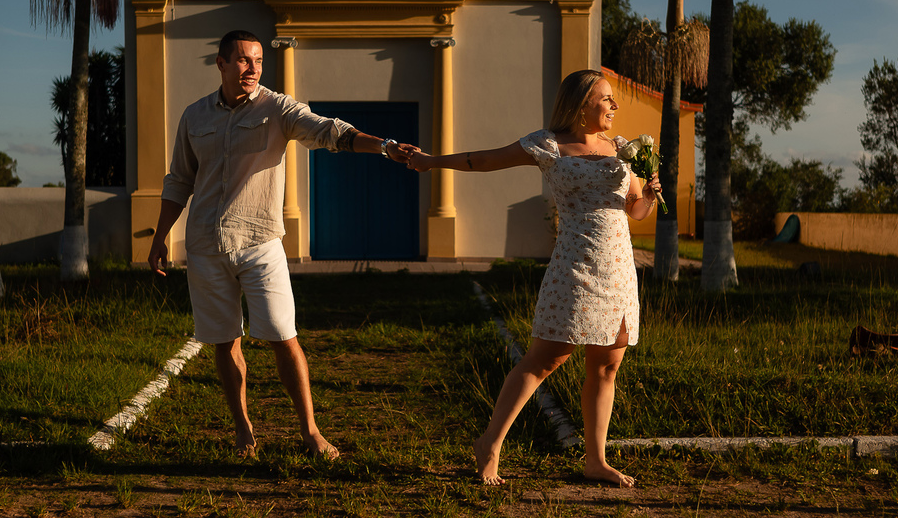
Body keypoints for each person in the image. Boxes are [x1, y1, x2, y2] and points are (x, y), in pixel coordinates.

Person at [148, 29, 414, 460]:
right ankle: (243, 430)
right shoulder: (194, 117)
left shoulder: (279, 108)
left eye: (257, 61)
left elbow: (330, 131)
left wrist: (383, 147)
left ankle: (311, 432)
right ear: (220, 63)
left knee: (282, 336)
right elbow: (179, 179)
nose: (252, 68)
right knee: (224, 340)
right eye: (242, 60)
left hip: (259, 242)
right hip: (204, 244)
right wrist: (161, 237)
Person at [405, 69, 660, 488]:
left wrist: (648, 194)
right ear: (581, 104)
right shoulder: (549, 143)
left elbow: (634, 210)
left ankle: (595, 460)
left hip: (618, 267)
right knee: (546, 358)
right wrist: (434, 162)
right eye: (606, 99)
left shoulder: (621, 149)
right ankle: (490, 443)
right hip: (575, 266)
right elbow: (485, 159)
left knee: (607, 365)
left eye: (614, 100)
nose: (615, 106)